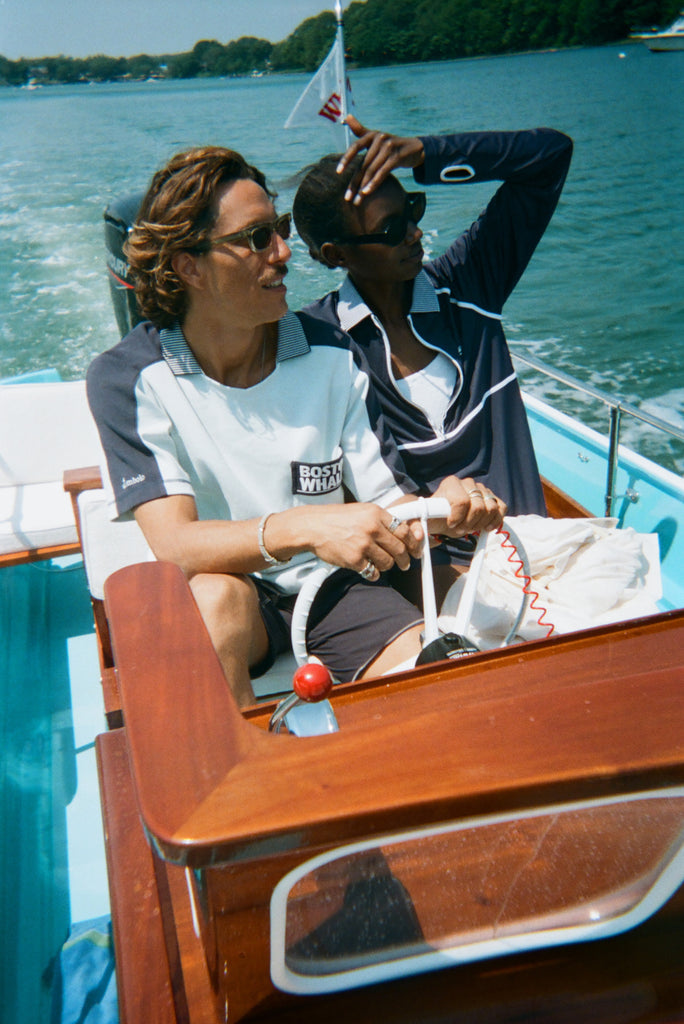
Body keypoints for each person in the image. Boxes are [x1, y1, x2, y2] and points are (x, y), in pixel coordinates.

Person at [87, 145, 505, 707]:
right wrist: (308, 527)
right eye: (257, 238)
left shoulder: (332, 352)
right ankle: (243, 782)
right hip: (229, 590)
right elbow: (175, 545)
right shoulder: (127, 379)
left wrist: (441, 507)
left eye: (279, 230)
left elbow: (389, 505)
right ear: (189, 265)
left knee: (440, 695)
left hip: (334, 585)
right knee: (215, 599)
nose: (284, 253)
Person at [293, 118, 573, 597]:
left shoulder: (469, 284)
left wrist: (428, 154)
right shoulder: (319, 346)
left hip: (537, 558)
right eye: (391, 227)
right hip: (424, 585)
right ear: (335, 254)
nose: (415, 233)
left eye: (413, 210)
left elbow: (550, 156)